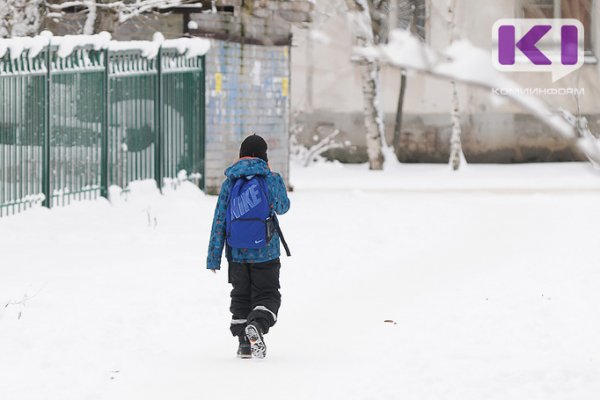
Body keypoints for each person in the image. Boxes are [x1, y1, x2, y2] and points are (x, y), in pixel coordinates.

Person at [207, 134, 290, 359]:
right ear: (264, 156)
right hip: (266, 252)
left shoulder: (230, 182)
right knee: (268, 293)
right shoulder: (269, 178)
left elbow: (219, 220)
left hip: (236, 254)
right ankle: (258, 324)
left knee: (241, 296)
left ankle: (244, 343)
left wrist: (213, 257)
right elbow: (283, 207)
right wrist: (273, 177)